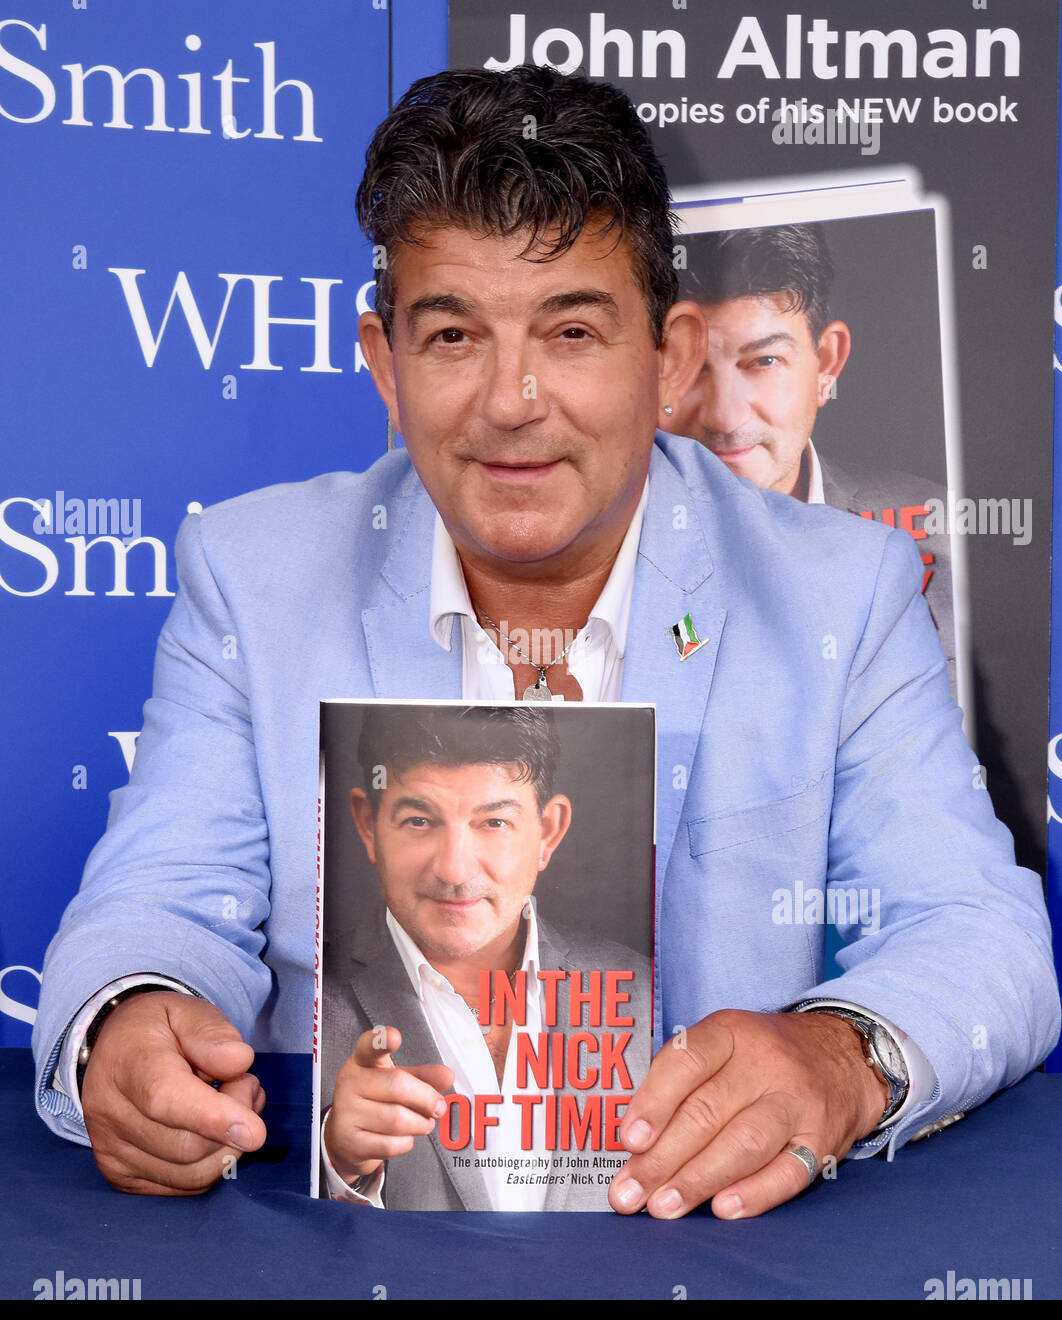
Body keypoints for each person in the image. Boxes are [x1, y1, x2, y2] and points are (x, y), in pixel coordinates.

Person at [32, 65, 1058, 1221]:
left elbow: (983, 935)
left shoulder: (845, 590)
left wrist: (837, 1058)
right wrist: (130, 1017)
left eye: (571, 331)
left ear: (668, 360)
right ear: (384, 361)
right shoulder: (252, 577)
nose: (512, 400)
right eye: (454, 334)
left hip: (714, 1256)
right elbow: (154, 901)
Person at [319, 703, 651, 1211]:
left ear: (548, 832)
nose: (454, 869)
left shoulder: (641, 996)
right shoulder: (308, 1006)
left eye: (493, 821)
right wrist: (338, 1163)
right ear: (367, 825)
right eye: (419, 820)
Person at [666, 223, 955, 676]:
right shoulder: (591, 561)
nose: (724, 416)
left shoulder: (948, 537)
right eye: (687, 366)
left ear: (827, 363)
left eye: (764, 361)